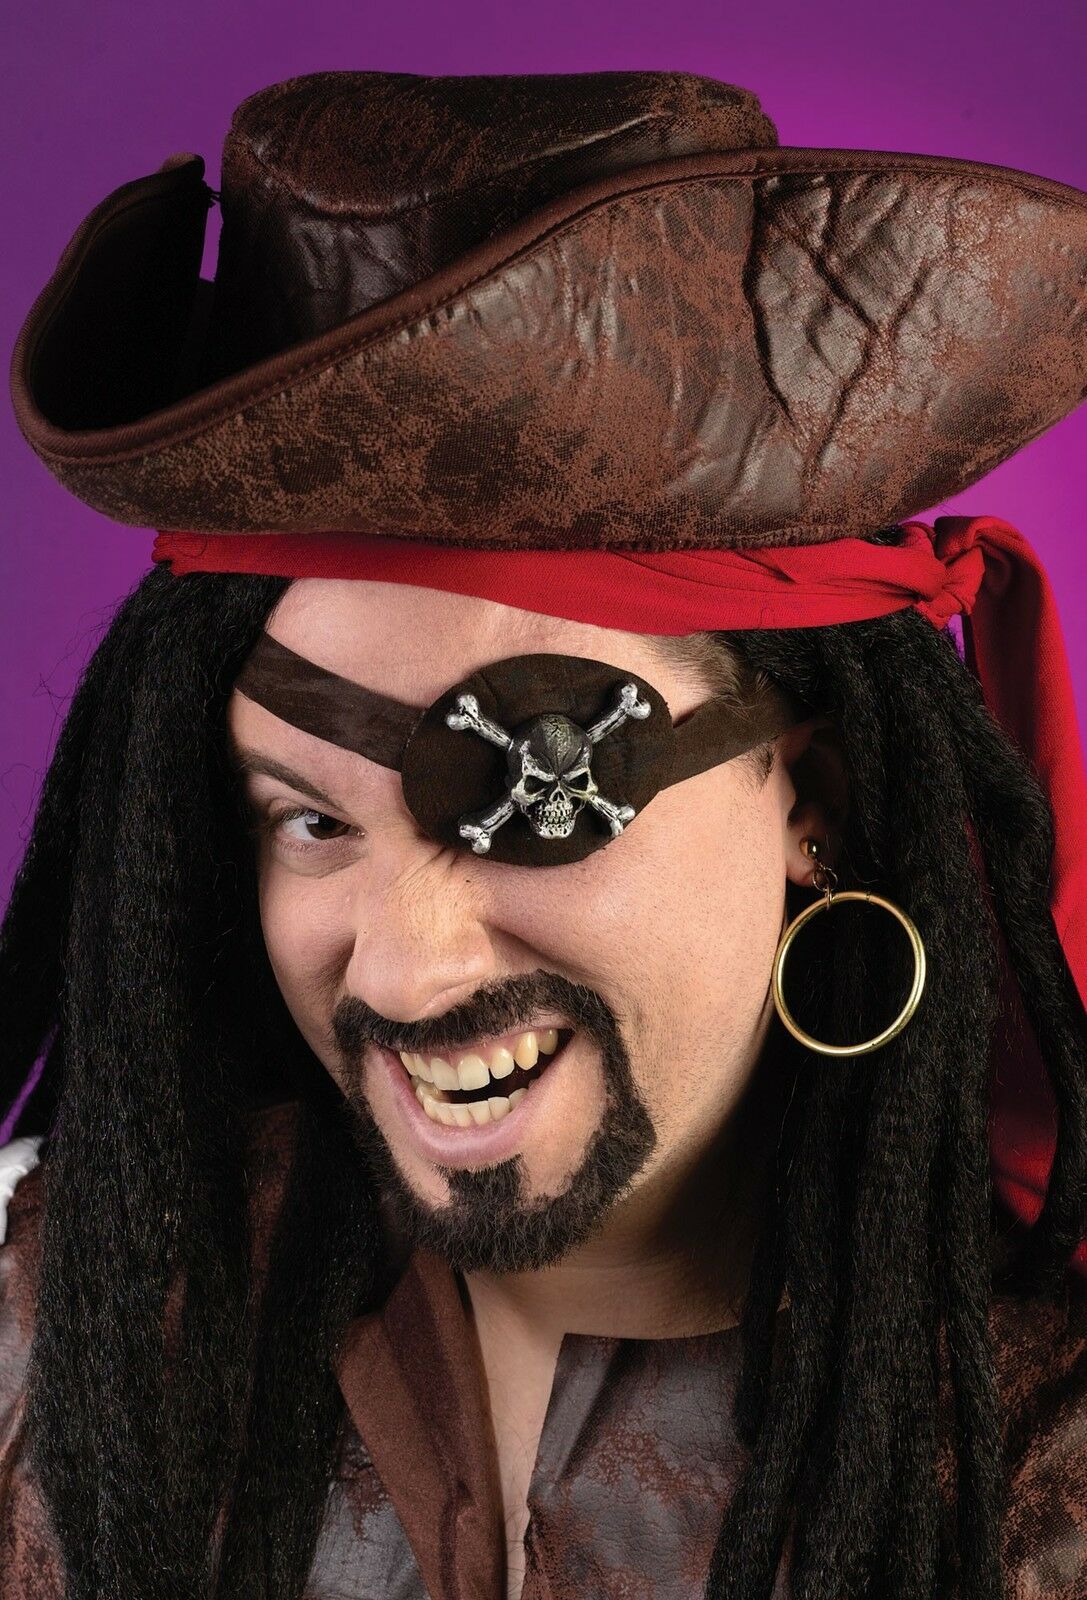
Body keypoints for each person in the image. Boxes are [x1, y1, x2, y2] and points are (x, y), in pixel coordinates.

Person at [2, 68, 1086, 1600]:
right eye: (310, 817)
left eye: (531, 802)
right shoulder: (74, 1331)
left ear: (813, 800)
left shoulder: (1040, 1483)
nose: (405, 967)